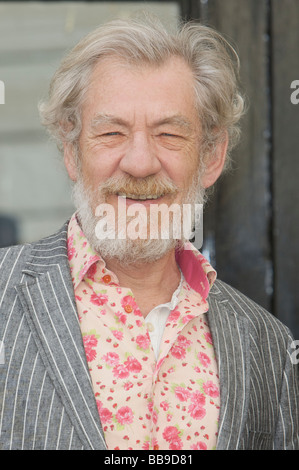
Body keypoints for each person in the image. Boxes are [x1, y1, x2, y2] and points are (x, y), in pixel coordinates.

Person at [0, 13, 298, 451]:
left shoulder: (269, 346)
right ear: (71, 152)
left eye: (169, 134)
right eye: (111, 132)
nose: (140, 163)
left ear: (211, 157)